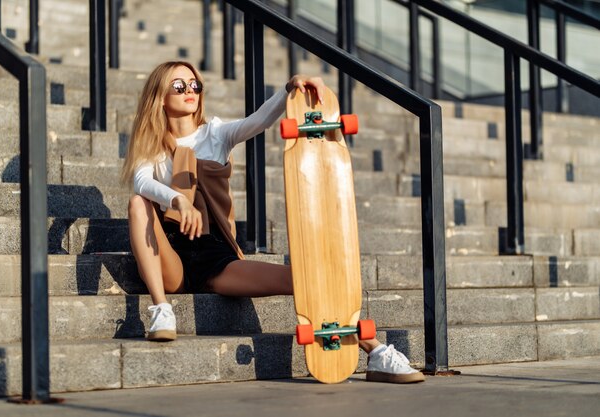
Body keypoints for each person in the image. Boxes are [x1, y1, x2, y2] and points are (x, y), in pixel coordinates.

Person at [121, 61, 425, 384]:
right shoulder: (151, 150)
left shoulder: (216, 134)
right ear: (160, 97)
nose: (190, 92)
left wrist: (289, 89)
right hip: (169, 258)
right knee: (137, 204)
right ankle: (161, 310)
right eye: (179, 86)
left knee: (305, 279)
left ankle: (375, 351)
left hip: (215, 259)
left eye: (195, 85)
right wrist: (177, 199)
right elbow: (141, 183)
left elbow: (259, 121)